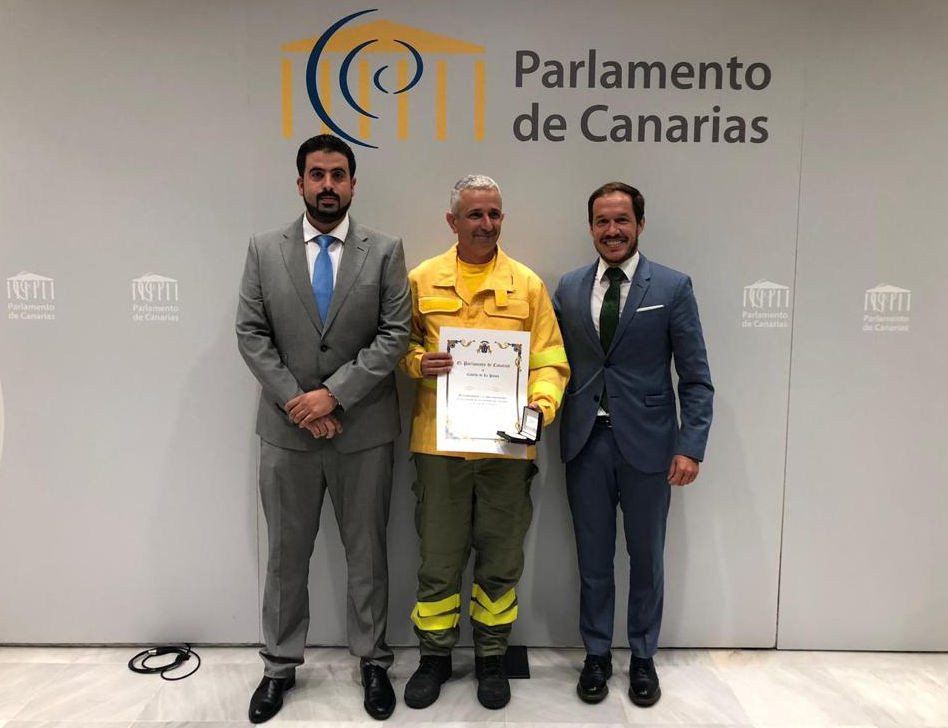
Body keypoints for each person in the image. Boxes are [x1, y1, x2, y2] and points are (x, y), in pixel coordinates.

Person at [236, 134, 411, 722]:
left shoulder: (385, 251)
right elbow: (251, 334)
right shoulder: (264, 249)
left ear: (353, 183)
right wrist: (300, 403)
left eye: (339, 174)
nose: (328, 185)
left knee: (368, 554)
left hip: (364, 432)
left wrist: (332, 395)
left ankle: (372, 663)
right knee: (286, 555)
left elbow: (395, 335)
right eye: (317, 175)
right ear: (301, 183)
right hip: (288, 435)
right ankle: (279, 665)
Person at [398, 175, 570, 710]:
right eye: (475, 214)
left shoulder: (528, 285)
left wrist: (542, 405)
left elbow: (550, 360)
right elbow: (397, 344)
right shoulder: (421, 280)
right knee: (439, 560)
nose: (486, 224)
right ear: (453, 221)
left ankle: (492, 656)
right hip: (439, 449)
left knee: (500, 558)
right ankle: (434, 657)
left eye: (494, 214)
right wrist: (415, 362)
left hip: (507, 451)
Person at [553, 182, 713, 707]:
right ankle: (597, 654)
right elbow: (551, 364)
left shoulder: (673, 286)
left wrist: (691, 445)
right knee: (593, 560)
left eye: (622, 220)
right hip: (585, 444)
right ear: (591, 227)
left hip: (650, 447)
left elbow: (695, 377)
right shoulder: (569, 288)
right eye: (602, 221)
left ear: (640, 224)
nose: (612, 231)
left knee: (646, 558)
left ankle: (642, 657)